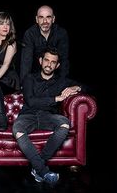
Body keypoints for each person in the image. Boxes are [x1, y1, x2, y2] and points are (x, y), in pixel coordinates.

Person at [13, 47, 86, 184]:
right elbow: (31, 101)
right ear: (41, 61)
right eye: (46, 60)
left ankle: (38, 167)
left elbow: (88, 87)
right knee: (17, 128)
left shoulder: (62, 81)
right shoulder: (29, 78)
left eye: (53, 62)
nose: (49, 64)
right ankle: (44, 171)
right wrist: (56, 99)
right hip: (28, 115)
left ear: (57, 65)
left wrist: (76, 88)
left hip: (48, 116)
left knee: (64, 123)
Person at [20, 5, 69, 84]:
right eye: (41, 17)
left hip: (55, 76)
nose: (45, 21)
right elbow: (26, 62)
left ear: (53, 19)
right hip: (35, 76)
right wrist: (24, 85)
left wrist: (62, 84)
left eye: (48, 17)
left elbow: (64, 61)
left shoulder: (61, 33)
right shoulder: (30, 34)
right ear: (36, 19)